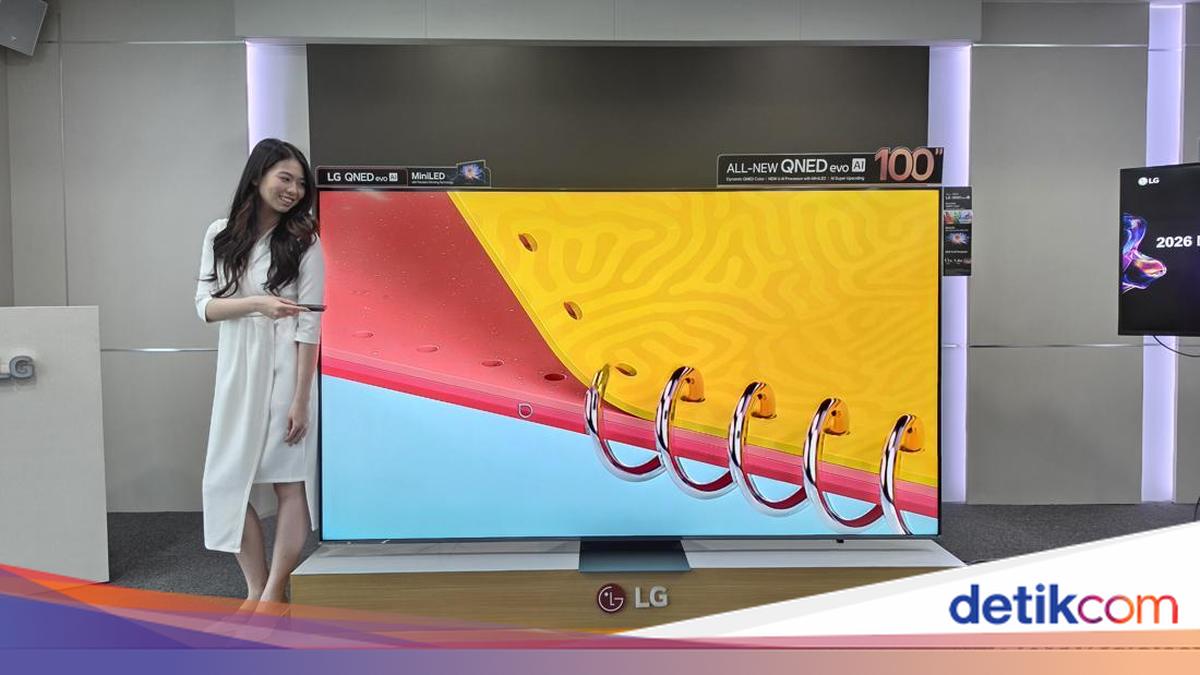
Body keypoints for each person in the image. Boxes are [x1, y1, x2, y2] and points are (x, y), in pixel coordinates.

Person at [194, 138, 324, 612]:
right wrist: (258, 304)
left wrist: (300, 400)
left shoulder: (305, 241)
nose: (293, 190)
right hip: (237, 370)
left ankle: (273, 593)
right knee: (224, 482)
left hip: (287, 371)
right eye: (284, 178)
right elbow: (204, 307)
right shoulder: (220, 234)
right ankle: (255, 585)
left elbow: (310, 326)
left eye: (300, 183)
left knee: (288, 483)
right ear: (257, 177)